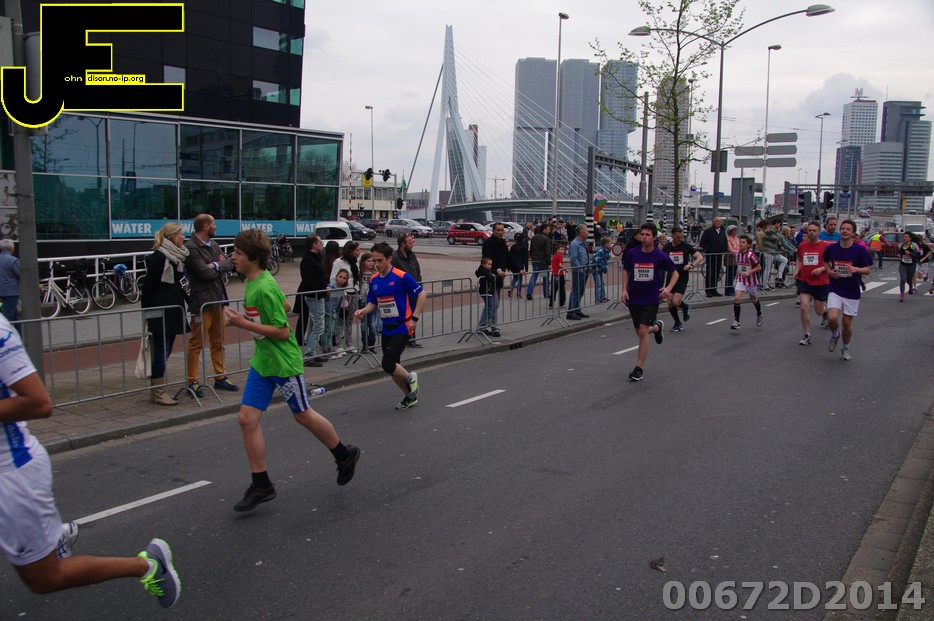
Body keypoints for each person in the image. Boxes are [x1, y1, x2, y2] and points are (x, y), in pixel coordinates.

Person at [0, 314, 181, 608]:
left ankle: (147, 565)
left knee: (45, 578)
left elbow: (38, 402)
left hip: (11, 474)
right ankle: (52, 534)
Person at [223, 229, 360, 512]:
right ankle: (261, 484)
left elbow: (284, 332)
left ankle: (344, 454)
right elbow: (285, 305)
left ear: (253, 257)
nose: (232, 256)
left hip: (283, 363)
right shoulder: (255, 280)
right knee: (247, 419)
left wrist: (242, 323)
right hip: (263, 363)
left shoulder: (263, 287)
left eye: (237, 252)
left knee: (303, 415)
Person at [355, 242, 426, 410]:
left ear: (389, 258)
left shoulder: (401, 276)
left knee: (387, 363)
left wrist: (414, 318)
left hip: (403, 326)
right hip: (386, 327)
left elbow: (422, 294)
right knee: (393, 367)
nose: (376, 264)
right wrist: (363, 310)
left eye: (379, 260)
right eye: (374, 261)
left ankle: (411, 378)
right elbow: (373, 302)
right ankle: (410, 396)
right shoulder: (374, 279)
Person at [184, 214, 238, 397]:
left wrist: (215, 265)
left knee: (219, 340)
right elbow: (203, 273)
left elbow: (230, 264)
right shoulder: (191, 247)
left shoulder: (214, 245)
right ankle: (192, 381)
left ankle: (220, 376)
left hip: (218, 299)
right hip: (202, 302)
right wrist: (219, 265)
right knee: (196, 342)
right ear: (206, 227)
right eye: (214, 224)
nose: (216, 227)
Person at [141, 222, 189, 406]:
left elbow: (182, 283)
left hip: (173, 311)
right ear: (172, 237)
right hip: (160, 311)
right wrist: (146, 313)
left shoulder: (177, 257)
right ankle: (158, 392)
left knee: (166, 350)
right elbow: (148, 287)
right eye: (181, 234)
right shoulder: (159, 257)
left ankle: (158, 388)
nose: (183, 237)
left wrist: (192, 302)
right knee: (161, 351)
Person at [621, 223, 677, 381]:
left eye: (647, 235)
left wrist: (668, 289)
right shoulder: (632, 253)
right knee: (639, 331)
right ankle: (657, 328)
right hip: (634, 296)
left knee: (643, 331)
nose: (644, 237)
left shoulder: (660, 255)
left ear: (653, 237)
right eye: (642, 234)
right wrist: (624, 290)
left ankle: (639, 368)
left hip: (651, 297)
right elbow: (626, 270)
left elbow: (675, 273)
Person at [824, 219, 872, 360]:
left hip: (851, 290)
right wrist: (830, 271)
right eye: (843, 228)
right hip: (835, 287)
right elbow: (825, 261)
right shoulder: (832, 248)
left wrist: (855, 269)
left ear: (853, 233)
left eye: (848, 229)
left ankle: (845, 347)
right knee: (832, 318)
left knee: (846, 322)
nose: (844, 231)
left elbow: (867, 269)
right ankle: (835, 334)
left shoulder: (860, 250)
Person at [481, 223, 525, 337]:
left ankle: (482, 326)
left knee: (492, 304)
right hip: (489, 278)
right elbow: (488, 260)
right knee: (493, 304)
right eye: (498, 230)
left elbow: (509, 259)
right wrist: (498, 270)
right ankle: (494, 327)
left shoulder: (502, 244)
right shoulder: (488, 243)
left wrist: (518, 269)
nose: (500, 232)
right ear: (493, 230)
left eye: (502, 230)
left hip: (499, 278)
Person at [794, 221, 831, 346]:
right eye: (809, 230)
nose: (811, 232)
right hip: (805, 280)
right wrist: (797, 270)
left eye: (814, 230)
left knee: (818, 311)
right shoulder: (802, 246)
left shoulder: (825, 246)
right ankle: (807, 335)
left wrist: (821, 269)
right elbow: (800, 259)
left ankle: (825, 312)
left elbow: (831, 264)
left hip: (820, 282)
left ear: (819, 232)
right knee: (804, 307)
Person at [662, 226, 702, 332]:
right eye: (677, 237)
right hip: (671, 276)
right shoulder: (667, 247)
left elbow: (700, 257)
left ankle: (685, 306)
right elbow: (661, 260)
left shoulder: (685, 246)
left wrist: (692, 265)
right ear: (672, 236)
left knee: (676, 301)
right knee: (669, 301)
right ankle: (677, 323)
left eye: (681, 237)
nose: (679, 239)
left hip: (682, 276)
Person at [298, 235, 328, 367]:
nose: (322, 244)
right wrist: (319, 291)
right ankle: (309, 355)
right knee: (318, 325)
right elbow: (308, 280)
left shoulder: (316, 257)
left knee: (313, 325)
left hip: (318, 295)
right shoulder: (307, 260)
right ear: (314, 245)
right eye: (320, 242)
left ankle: (312, 353)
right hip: (314, 296)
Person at [391, 233, 423, 348]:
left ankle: (411, 338)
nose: (412, 244)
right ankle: (401, 339)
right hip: (401, 293)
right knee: (402, 316)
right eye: (410, 243)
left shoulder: (412, 255)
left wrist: (418, 285)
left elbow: (417, 271)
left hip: (413, 291)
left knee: (413, 315)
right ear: (402, 244)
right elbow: (392, 274)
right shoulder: (395, 257)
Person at [330, 242, 361, 353]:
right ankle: (338, 344)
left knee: (350, 320)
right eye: (357, 250)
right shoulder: (339, 262)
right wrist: (341, 290)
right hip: (344, 294)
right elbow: (333, 278)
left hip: (354, 292)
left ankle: (349, 343)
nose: (359, 252)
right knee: (340, 319)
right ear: (350, 251)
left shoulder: (355, 262)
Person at [730, 234, 763, 330]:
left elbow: (759, 267)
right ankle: (737, 321)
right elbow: (739, 266)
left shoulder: (751, 256)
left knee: (753, 299)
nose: (740, 244)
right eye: (740, 242)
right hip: (741, 279)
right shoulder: (737, 254)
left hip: (751, 281)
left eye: (743, 242)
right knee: (737, 298)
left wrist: (749, 272)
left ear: (748, 245)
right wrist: (739, 271)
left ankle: (759, 313)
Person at [319, 241, 341, 357]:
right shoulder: (336, 262)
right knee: (330, 321)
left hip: (328, 294)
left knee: (329, 321)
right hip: (332, 294)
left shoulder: (324, 261)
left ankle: (327, 345)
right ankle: (326, 345)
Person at [567, 223, 590, 320]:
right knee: (576, 291)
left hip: (584, 270)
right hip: (579, 271)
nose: (588, 232)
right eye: (586, 230)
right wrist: (580, 269)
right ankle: (571, 312)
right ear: (581, 232)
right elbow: (573, 258)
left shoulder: (582, 242)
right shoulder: (575, 244)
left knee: (580, 291)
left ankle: (577, 309)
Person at [699, 217, 727, 296]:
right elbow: (702, 243)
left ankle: (714, 289)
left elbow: (725, 242)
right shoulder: (708, 231)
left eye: (720, 221)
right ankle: (708, 290)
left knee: (717, 272)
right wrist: (710, 249)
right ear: (713, 222)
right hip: (711, 255)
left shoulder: (722, 231)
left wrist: (723, 249)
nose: (719, 222)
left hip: (719, 255)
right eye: (717, 221)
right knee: (710, 272)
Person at [526, 222, 553, 301]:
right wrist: (549, 263)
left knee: (534, 276)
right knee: (545, 277)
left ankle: (529, 292)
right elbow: (547, 252)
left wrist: (532, 257)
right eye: (548, 229)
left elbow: (531, 249)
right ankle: (546, 293)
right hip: (543, 261)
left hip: (535, 260)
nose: (549, 231)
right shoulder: (546, 239)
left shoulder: (534, 237)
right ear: (544, 229)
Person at [329, 268, 352, 358]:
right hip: (329, 311)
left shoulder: (342, 288)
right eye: (340, 277)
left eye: (344, 278)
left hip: (334, 311)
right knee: (328, 331)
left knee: (332, 330)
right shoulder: (332, 285)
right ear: (336, 276)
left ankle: (331, 349)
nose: (341, 279)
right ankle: (328, 350)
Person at [358, 252, 377, 353]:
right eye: (368, 261)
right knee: (363, 325)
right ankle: (364, 345)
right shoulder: (360, 273)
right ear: (363, 262)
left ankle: (371, 344)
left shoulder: (375, 273)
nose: (371, 263)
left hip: (372, 301)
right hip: (362, 301)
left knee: (372, 324)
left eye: (372, 261)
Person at [896, 232, 922, 301]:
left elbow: (918, 256)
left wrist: (910, 253)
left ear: (910, 238)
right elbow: (898, 253)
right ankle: (902, 295)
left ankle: (910, 286)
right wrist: (898, 255)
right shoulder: (900, 245)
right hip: (903, 264)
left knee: (909, 279)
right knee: (903, 279)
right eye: (904, 237)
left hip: (911, 265)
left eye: (906, 237)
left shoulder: (914, 246)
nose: (904, 238)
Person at [0, 239, 21, 324]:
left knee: (15, 317)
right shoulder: (13, 260)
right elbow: (21, 274)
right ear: (12, 248)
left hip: (1, 291)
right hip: (11, 292)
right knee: (7, 316)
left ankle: (18, 332)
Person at [476, 257, 497, 335]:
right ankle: (488, 321)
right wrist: (493, 276)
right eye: (489, 264)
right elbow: (490, 277)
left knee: (489, 305)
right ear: (483, 264)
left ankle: (486, 323)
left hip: (489, 291)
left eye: (491, 264)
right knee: (489, 306)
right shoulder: (483, 271)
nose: (490, 266)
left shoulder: (487, 271)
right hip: (486, 292)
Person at [507, 233, 528, 298]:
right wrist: (526, 268)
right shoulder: (524, 247)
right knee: (520, 279)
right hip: (520, 264)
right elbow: (525, 258)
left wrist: (508, 266)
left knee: (515, 277)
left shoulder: (513, 246)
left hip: (513, 264)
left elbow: (509, 256)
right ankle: (519, 292)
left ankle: (511, 287)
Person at [592, 236, 611, 303]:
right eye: (609, 243)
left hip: (599, 270)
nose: (610, 244)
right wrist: (604, 267)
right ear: (606, 244)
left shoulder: (605, 250)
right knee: (599, 284)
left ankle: (602, 297)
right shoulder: (601, 251)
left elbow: (606, 258)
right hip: (596, 270)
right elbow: (597, 260)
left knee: (602, 284)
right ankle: (598, 299)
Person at [550, 243, 567, 309]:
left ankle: (551, 304)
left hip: (554, 274)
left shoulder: (554, 256)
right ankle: (561, 303)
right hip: (560, 275)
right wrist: (565, 269)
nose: (563, 250)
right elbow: (560, 265)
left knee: (554, 289)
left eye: (563, 249)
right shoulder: (560, 256)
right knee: (561, 290)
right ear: (557, 250)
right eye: (561, 249)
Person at [724, 225, 740, 296]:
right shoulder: (728, 239)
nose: (735, 232)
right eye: (734, 230)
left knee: (733, 274)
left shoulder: (737, 239)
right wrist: (737, 252)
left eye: (736, 230)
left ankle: (731, 288)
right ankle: (728, 290)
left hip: (736, 258)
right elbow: (730, 249)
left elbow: (739, 247)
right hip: (730, 258)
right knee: (729, 274)